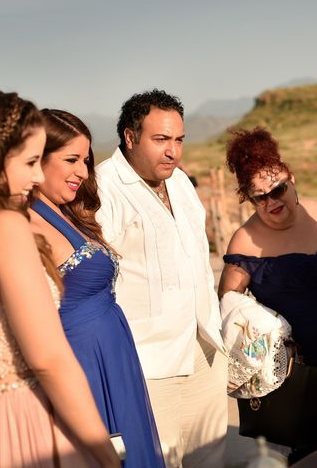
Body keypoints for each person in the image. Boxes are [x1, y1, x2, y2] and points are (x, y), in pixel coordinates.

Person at [0, 89, 119, 467]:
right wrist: (105, 454)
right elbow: (49, 359)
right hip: (24, 421)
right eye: (30, 162)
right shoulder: (4, 225)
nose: (38, 175)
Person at [218, 127, 317, 462]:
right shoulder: (244, 242)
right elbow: (230, 311)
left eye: (279, 189)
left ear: (292, 177)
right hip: (298, 378)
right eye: (260, 196)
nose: (272, 201)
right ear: (247, 196)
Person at [95, 89, 226, 468]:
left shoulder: (181, 182)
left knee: (211, 460)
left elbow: (200, 261)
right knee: (159, 461)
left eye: (179, 140)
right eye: (161, 140)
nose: (173, 151)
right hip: (149, 363)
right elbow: (99, 280)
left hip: (203, 348)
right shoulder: (105, 188)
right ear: (130, 137)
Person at [29, 109, 165, 467]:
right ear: (35, 158)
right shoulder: (26, 222)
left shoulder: (66, 210)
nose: (82, 172)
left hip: (114, 353)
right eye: (71, 159)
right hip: (83, 359)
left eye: (86, 160)